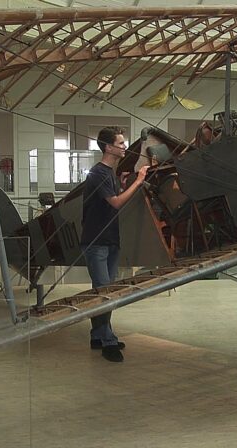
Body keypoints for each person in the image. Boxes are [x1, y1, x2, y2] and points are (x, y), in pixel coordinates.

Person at [81, 126, 148, 362]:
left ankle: (98, 335)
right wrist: (138, 180)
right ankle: (108, 341)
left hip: (110, 240)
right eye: (120, 143)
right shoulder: (98, 173)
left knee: (104, 291)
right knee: (105, 293)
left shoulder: (110, 172)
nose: (124, 147)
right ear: (108, 147)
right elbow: (116, 203)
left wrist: (121, 182)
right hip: (97, 242)